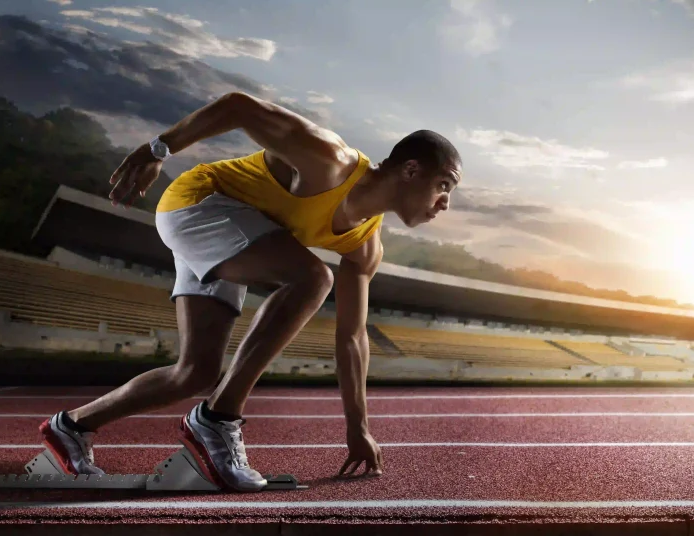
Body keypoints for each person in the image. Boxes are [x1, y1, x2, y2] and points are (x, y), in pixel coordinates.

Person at [36, 92, 462, 492]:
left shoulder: (366, 246)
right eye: (445, 184)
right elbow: (240, 106)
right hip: (199, 203)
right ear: (410, 170)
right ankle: (218, 419)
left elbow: (352, 337)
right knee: (314, 278)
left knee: (196, 373)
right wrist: (157, 150)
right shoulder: (329, 160)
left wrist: (359, 427)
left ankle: (71, 427)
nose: (446, 203)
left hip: (238, 235)